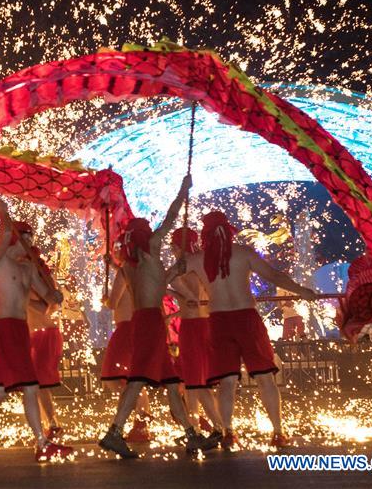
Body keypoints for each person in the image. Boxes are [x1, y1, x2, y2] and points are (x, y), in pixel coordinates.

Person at [98, 175, 215, 459]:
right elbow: (171, 219)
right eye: (149, 231)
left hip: (145, 320)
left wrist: (175, 271)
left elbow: (155, 286)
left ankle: (191, 435)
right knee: (137, 379)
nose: (154, 234)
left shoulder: (129, 265)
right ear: (144, 237)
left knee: (173, 384)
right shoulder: (150, 253)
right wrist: (183, 189)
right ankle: (114, 432)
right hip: (150, 321)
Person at [182, 211, 317, 450]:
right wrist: (301, 291)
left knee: (227, 383)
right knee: (265, 378)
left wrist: (181, 292)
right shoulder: (243, 253)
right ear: (228, 229)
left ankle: (228, 433)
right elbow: (274, 275)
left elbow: (164, 277)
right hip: (246, 319)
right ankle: (277, 432)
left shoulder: (197, 260)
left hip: (219, 320)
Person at [0, 197, 72, 462]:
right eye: (26, 239)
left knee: (0, 390)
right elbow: (6, 231)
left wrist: (55, 295)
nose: (31, 246)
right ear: (15, 239)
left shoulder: (28, 268)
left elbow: (45, 297)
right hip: (7, 328)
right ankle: (42, 444)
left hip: (21, 329)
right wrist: (1, 208)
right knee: (30, 386)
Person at [168, 226, 225, 440]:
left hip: (192, 327)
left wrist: (185, 293)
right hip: (206, 323)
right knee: (195, 382)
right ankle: (197, 428)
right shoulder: (206, 262)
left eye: (173, 247)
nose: (172, 251)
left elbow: (171, 280)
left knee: (197, 382)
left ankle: (217, 429)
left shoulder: (184, 265)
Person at [100, 243, 154, 443]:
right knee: (132, 378)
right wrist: (114, 266)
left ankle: (141, 417)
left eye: (118, 248)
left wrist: (105, 300)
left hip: (125, 329)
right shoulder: (138, 271)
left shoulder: (123, 273)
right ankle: (142, 419)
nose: (115, 250)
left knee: (117, 379)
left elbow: (113, 303)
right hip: (135, 327)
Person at [25, 237, 64, 440]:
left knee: (38, 384)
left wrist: (23, 301)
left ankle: (53, 424)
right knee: (35, 385)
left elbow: (53, 306)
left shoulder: (43, 278)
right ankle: (50, 424)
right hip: (35, 335)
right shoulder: (27, 275)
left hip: (45, 334)